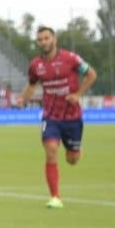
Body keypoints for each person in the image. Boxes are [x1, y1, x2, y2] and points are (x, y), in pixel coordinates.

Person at [15, 26, 96, 209]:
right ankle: (55, 197)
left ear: (54, 39)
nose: (43, 42)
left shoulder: (71, 59)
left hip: (72, 116)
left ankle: (76, 149)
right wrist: (22, 99)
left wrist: (78, 94)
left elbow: (91, 74)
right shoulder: (36, 65)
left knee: (72, 159)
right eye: (40, 39)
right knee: (51, 149)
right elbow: (31, 85)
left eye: (46, 38)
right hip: (50, 116)